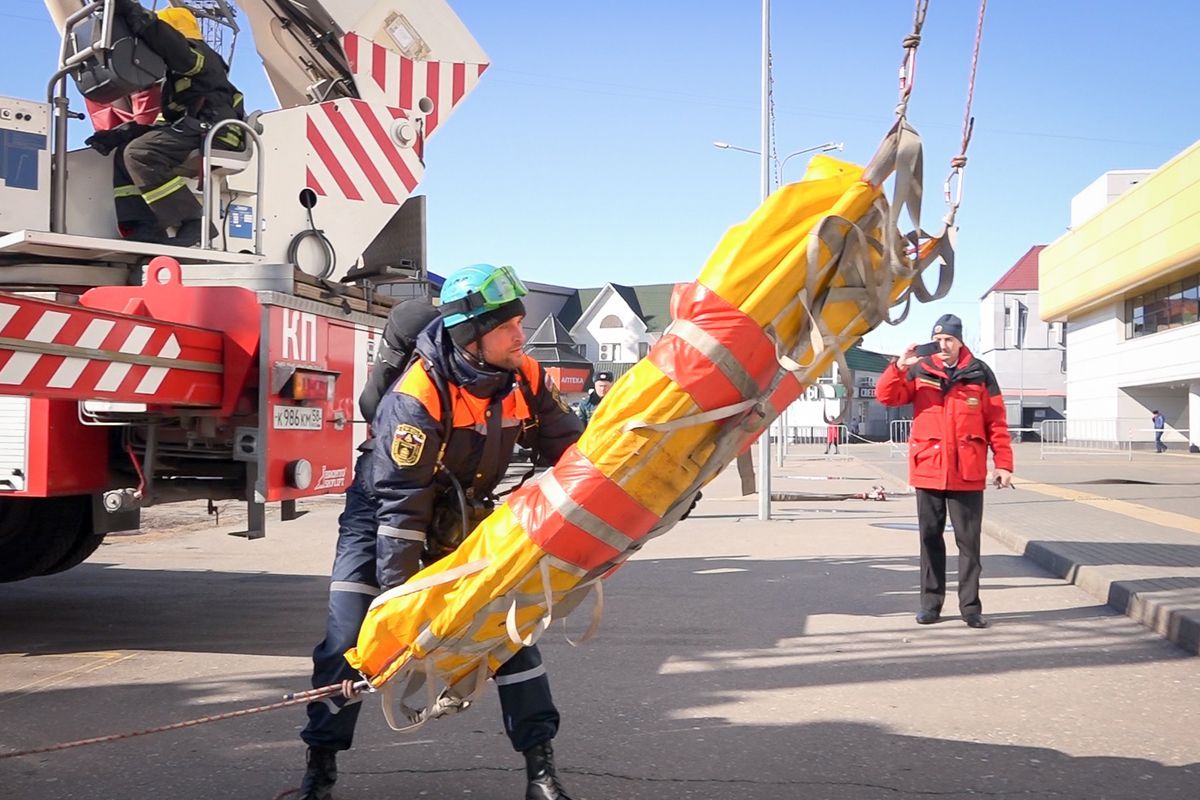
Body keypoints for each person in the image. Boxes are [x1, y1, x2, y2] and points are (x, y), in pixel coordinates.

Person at [298, 265, 583, 800]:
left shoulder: (526, 375)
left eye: (521, 323)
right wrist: (401, 603)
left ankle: (541, 774)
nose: (521, 336)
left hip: (460, 513)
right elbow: (400, 514)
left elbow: (573, 451)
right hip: (382, 516)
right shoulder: (416, 397)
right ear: (471, 336)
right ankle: (320, 770)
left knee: (508, 636)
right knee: (349, 641)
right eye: (508, 328)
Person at [876, 313, 1013, 629]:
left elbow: (996, 421)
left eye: (949, 339)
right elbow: (887, 396)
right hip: (929, 469)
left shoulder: (980, 373)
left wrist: (1003, 464)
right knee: (929, 539)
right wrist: (899, 366)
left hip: (967, 472)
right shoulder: (920, 369)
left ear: (960, 340)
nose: (943, 345)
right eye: (937, 340)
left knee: (969, 543)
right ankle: (930, 604)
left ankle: (970, 608)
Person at [87, 1, 245, 247]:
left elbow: (174, 48)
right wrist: (120, 134)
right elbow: (163, 126)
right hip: (194, 129)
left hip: (217, 133)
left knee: (140, 153)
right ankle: (144, 225)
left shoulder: (202, 57)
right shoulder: (173, 82)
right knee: (125, 153)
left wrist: (138, 16)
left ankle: (194, 221)